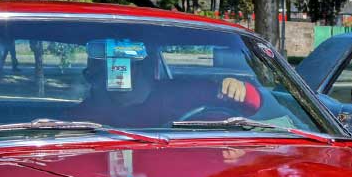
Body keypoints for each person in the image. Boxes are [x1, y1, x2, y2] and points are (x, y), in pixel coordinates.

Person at [71, 53, 262, 127]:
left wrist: (239, 87)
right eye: (93, 73)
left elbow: (253, 105)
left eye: (113, 67)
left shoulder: (181, 92)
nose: (97, 79)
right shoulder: (91, 109)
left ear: (134, 67)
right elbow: (56, 128)